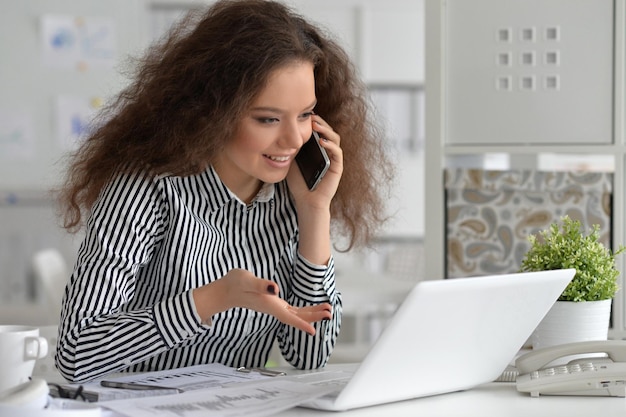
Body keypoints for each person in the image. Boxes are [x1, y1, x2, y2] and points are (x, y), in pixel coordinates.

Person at [55, 0, 393, 383]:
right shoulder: (147, 188)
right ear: (212, 112)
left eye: (305, 115)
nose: (294, 139)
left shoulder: (291, 195)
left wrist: (314, 212)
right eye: (268, 118)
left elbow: (308, 357)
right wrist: (212, 299)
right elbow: (75, 353)